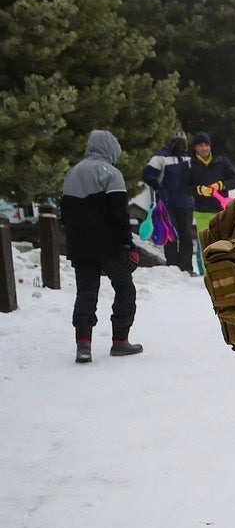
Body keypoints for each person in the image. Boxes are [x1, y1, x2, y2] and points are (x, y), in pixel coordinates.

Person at [60, 130, 143, 363]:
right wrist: (127, 244)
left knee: (86, 292)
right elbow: (119, 214)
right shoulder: (111, 174)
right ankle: (120, 341)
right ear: (111, 149)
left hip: (80, 245)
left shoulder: (72, 173)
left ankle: (83, 345)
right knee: (125, 288)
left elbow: (65, 214)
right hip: (109, 245)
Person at [143, 129, 196, 272]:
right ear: (171, 142)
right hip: (167, 202)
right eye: (176, 142)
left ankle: (186, 268)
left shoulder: (190, 158)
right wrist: (157, 186)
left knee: (186, 236)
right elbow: (147, 174)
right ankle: (172, 267)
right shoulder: (161, 157)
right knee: (170, 234)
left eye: (182, 142)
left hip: (186, 202)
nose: (179, 145)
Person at [190, 131, 235, 239]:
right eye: (200, 145)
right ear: (195, 148)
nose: (204, 148)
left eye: (206, 145)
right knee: (205, 243)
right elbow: (185, 187)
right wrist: (200, 189)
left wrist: (221, 185)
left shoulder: (222, 162)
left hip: (221, 211)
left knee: (220, 242)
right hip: (201, 211)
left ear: (210, 145)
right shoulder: (190, 164)